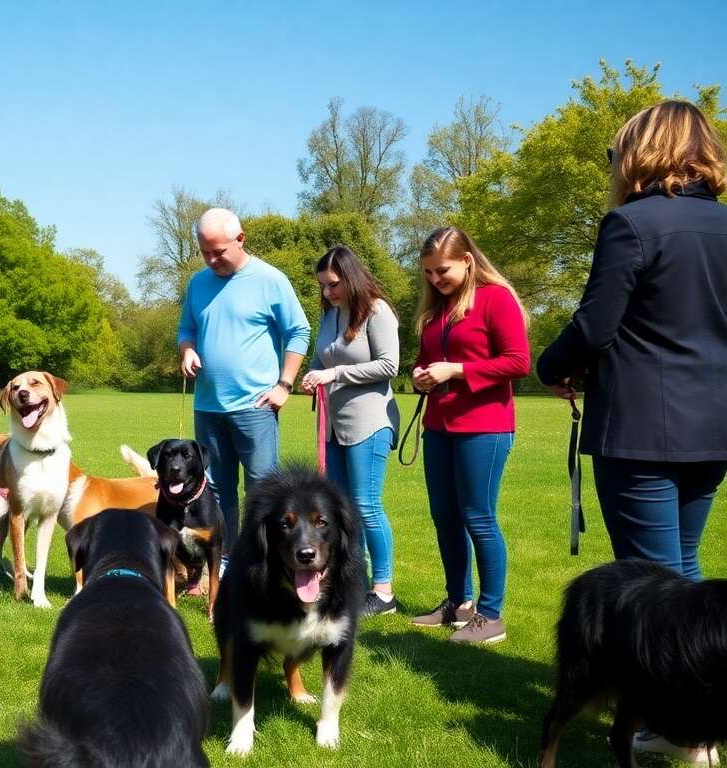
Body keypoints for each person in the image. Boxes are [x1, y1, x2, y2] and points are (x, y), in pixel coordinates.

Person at [537, 101, 727, 764]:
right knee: (686, 580)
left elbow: (594, 325)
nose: (614, 166)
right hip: (714, 430)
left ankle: (682, 732)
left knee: (656, 591)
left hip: (642, 431)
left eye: (617, 153)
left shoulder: (630, 223)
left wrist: (551, 365)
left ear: (644, 152)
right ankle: (693, 720)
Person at [408, 226, 529, 645]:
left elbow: (518, 362)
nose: (434, 279)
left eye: (441, 271)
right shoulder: (436, 310)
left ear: (466, 261)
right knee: (445, 517)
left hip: (485, 426)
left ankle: (491, 614)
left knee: (479, 517)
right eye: (427, 273)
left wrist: (457, 370)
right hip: (439, 425)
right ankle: (458, 603)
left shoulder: (496, 299)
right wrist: (421, 375)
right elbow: (427, 359)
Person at [178, 207, 311, 566]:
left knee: (263, 491)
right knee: (214, 490)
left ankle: (261, 562)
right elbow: (186, 329)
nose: (211, 259)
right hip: (208, 406)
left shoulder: (270, 280)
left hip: (256, 407)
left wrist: (285, 384)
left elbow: (299, 331)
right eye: (204, 252)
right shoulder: (197, 284)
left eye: (218, 251)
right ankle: (221, 564)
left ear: (241, 240)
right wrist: (188, 350)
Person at [300, 245, 400, 617]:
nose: (328, 292)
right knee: (341, 509)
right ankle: (351, 582)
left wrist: (335, 374)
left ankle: (384, 590)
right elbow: (320, 358)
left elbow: (390, 364)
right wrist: (311, 377)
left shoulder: (377, 312)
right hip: (334, 426)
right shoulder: (329, 317)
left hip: (369, 423)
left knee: (367, 506)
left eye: (334, 284)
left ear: (351, 277)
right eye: (323, 286)